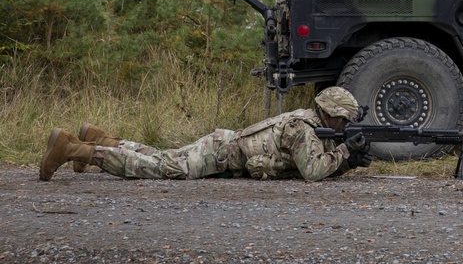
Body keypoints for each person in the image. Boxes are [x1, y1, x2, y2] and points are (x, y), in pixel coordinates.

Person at [39, 86, 372, 182]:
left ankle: (97, 138)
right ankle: (73, 150)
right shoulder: (304, 131)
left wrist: (346, 161)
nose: (344, 126)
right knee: (160, 168)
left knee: (160, 156)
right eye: (343, 120)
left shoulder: (309, 122)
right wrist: (344, 154)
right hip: (219, 153)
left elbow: (314, 159)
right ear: (329, 112)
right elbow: (312, 171)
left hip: (221, 145)